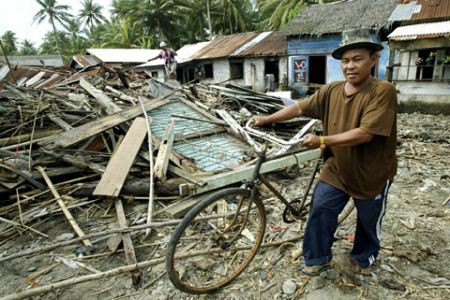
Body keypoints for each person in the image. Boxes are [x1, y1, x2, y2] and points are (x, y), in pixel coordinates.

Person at [252, 29, 397, 276]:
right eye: (345, 61)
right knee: (321, 208)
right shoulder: (332, 90)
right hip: (338, 168)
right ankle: (318, 257)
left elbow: (365, 133)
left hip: (371, 173)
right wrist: (266, 119)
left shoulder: (383, 91)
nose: (350, 66)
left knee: (368, 221)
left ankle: (364, 257)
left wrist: (322, 139)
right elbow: (299, 107)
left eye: (357, 59)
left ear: (374, 59)